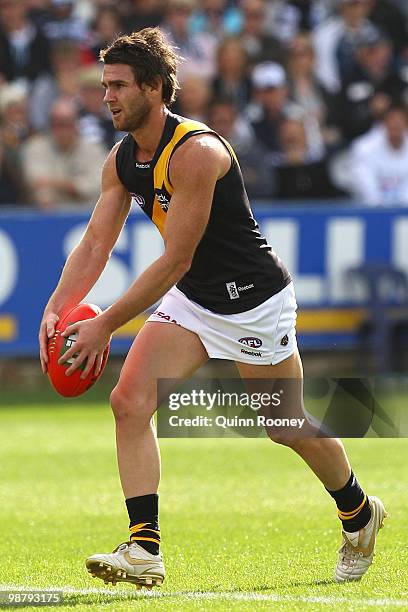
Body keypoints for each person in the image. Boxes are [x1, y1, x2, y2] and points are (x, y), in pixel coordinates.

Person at [38, 27, 386, 589]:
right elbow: (98, 242)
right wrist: (58, 307)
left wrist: (105, 323)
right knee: (129, 402)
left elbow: (174, 259)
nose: (107, 96)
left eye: (120, 85)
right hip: (196, 299)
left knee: (283, 424)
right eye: (105, 85)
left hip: (252, 303)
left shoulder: (198, 153)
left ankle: (358, 511)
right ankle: (144, 548)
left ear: (154, 88)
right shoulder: (123, 158)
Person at [350, 105, 408, 205]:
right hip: (369, 209)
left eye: (400, 121)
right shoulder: (364, 148)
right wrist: (380, 206)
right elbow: (365, 184)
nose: (396, 124)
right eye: (392, 121)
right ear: (384, 124)